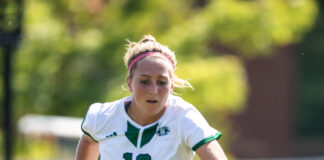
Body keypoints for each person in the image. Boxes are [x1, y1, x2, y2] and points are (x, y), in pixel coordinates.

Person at [75, 35, 228, 160]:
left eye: (162, 82)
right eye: (144, 81)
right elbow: (89, 141)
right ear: (129, 83)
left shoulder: (185, 118)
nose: (153, 90)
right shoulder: (102, 116)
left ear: (172, 85)